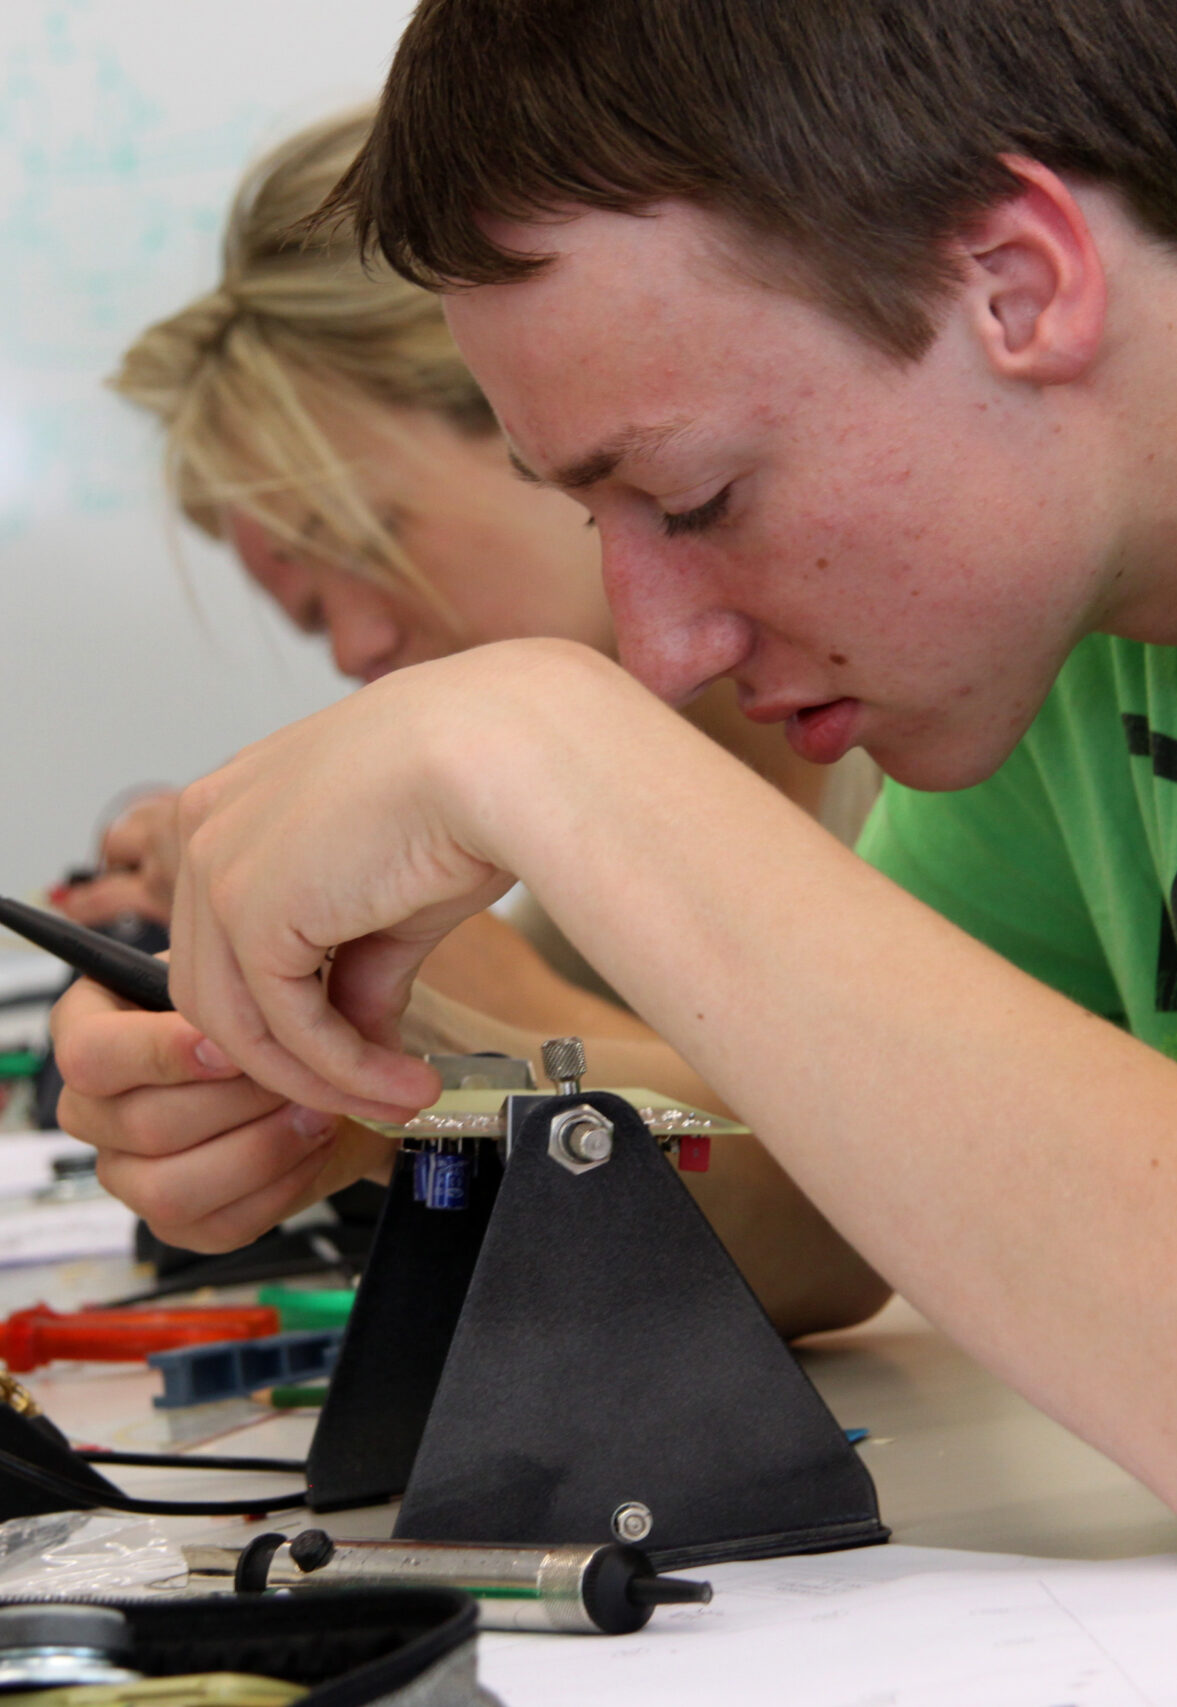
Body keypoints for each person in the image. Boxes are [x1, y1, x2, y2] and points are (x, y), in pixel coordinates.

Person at [52, 1, 1177, 1696]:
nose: (660, 643)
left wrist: (536, 748)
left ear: (1016, 283)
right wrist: (382, 1065)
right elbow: (829, 1213)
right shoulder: (1072, 610)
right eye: (598, 521)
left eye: (698, 498)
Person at [63, 107, 892, 1338]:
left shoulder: (932, 739)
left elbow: (916, 1217)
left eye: (368, 543)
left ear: (531, 406)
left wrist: (500, 1017)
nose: (355, 652)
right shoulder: (608, 833)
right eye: (308, 619)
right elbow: (819, 1248)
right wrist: (366, 1083)